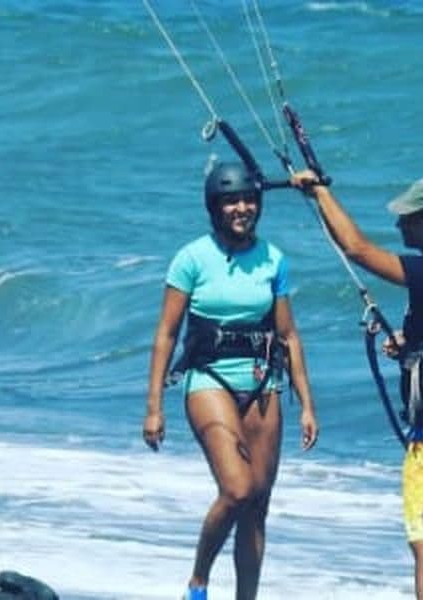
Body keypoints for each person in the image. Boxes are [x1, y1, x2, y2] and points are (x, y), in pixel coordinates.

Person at [291, 172, 423, 600]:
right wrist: (411, 343)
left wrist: (320, 192)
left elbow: (357, 249)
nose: (401, 226)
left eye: (411, 218)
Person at [143, 161, 319, 600]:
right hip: (209, 378)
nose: (242, 208)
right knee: (237, 489)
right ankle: (199, 581)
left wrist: (307, 405)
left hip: (263, 383)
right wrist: (153, 408)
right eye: (231, 201)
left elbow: (288, 335)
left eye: (248, 200)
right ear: (215, 207)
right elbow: (166, 335)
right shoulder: (191, 259)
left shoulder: (273, 259)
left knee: (257, 505)